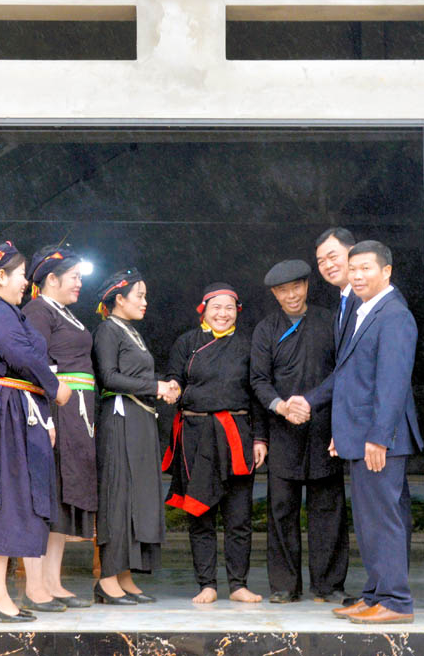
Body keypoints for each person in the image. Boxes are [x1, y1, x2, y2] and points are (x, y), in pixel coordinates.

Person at [0, 240, 73, 623]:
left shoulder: (5, 310)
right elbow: (23, 355)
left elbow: (28, 355)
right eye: (22, 274)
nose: (26, 282)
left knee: (14, 495)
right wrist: (55, 390)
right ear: (1, 275)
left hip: (14, 406)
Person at [321, 240, 424, 624]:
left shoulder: (394, 315)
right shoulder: (365, 311)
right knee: (370, 520)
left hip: (382, 439)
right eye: (354, 269)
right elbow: (352, 380)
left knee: (383, 519)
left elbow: (392, 383)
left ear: (387, 272)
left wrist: (379, 437)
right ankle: (376, 593)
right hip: (362, 434)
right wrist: (343, 431)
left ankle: (396, 601)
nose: (358, 275)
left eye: (366, 268)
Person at [249, 259, 349, 604]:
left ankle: (329, 585)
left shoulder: (330, 321)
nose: (291, 295)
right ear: (275, 294)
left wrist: (335, 421)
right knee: (281, 512)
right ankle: (283, 586)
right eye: (282, 290)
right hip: (282, 431)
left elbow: (343, 372)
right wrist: (279, 407)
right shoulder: (266, 329)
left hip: (324, 430)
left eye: (296, 287)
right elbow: (258, 381)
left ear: (307, 286)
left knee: (329, 512)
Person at [165, 283, 266, 604]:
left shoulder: (249, 346)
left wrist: (260, 438)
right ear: (203, 310)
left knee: (239, 517)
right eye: (215, 308)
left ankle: (238, 585)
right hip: (195, 436)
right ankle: (206, 584)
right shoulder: (187, 343)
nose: (222, 314)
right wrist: (171, 387)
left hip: (237, 435)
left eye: (228, 308)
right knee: (201, 514)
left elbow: (258, 396)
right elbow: (175, 379)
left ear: (237, 311)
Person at [91, 268, 176, 605]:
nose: (145, 301)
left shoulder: (130, 331)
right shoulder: (107, 330)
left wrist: (163, 386)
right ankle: (107, 578)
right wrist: (155, 386)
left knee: (137, 496)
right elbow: (109, 377)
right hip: (119, 420)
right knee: (118, 495)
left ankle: (125, 573)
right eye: (139, 295)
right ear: (119, 299)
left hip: (140, 419)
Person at [22, 245, 96, 609]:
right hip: (55, 412)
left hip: (76, 414)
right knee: (45, 499)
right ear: (51, 279)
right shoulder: (38, 310)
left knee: (62, 500)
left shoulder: (64, 312)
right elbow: (36, 364)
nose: (80, 283)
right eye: (75, 277)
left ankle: (53, 581)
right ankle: (35, 587)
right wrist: (46, 417)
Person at [314, 227, 359, 352]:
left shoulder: (371, 299)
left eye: (333, 257)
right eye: (321, 262)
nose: (328, 265)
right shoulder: (342, 301)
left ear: (353, 252)